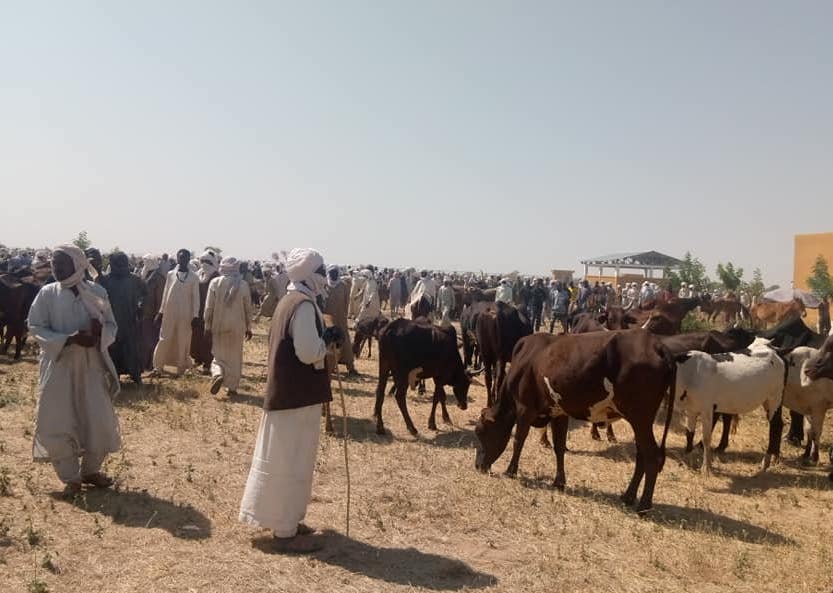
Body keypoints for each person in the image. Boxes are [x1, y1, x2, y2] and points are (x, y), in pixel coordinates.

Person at [239, 248, 343, 554]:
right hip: (296, 398)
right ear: (310, 274)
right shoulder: (304, 306)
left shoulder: (291, 300)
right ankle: (285, 533)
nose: (325, 277)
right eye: (321, 271)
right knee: (291, 461)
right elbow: (308, 352)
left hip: (288, 396)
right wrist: (327, 340)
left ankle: (288, 520)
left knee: (288, 459)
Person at [27, 244, 121, 495]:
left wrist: (100, 335)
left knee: (97, 418)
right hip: (59, 366)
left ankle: (91, 470)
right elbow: (35, 326)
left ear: (78, 265)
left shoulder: (98, 292)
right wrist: (68, 339)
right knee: (57, 418)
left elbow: (111, 325)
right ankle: (71, 477)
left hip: (91, 366)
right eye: (54, 264)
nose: (56, 269)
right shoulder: (47, 294)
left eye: (61, 264)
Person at [204, 257, 253, 396]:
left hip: (219, 325)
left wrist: (207, 326)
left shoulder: (215, 283)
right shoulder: (243, 285)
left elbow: (209, 307)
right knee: (234, 357)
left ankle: (218, 374)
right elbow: (248, 308)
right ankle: (232, 388)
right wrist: (249, 327)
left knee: (218, 355)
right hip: (237, 326)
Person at [100, 251, 147, 385]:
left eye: (122, 264)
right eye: (117, 264)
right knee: (113, 350)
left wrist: (140, 305)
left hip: (129, 321)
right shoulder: (105, 280)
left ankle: (135, 375)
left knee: (131, 349)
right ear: (112, 265)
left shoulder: (135, 279)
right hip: (112, 322)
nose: (120, 268)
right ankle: (115, 376)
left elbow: (144, 294)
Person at [152, 249, 200, 376]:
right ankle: (158, 367)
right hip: (169, 311)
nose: (182, 259)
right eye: (180, 257)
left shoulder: (194, 277)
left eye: (185, 257)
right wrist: (161, 312)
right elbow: (165, 294)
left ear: (188, 259)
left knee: (183, 339)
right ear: (177, 259)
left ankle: (181, 368)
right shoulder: (170, 274)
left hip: (186, 314)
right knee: (164, 338)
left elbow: (196, 298)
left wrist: (195, 315)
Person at [323, 265, 358, 375]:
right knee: (329, 343)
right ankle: (331, 366)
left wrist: (344, 315)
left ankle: (350, 366)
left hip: (341, 318)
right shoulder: (324, 286)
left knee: (345, 342)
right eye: (331, 273)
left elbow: (347, 302)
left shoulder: (343, 286)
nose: (333, 275)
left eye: (335, 273)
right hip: (328, 320)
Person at [191, 250, 220, 374]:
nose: (204, 264)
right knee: (196, 336)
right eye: (202, 261)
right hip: (197, 312)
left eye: (207, 262)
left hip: (210, 313)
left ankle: (207, 364)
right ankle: (198, 359)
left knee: (208, 339)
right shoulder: (198, 275)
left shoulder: (216, 277)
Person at [139, 254, 166, 371]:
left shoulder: (158, 278)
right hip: (144, 312)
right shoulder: (145, 274)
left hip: (152, 314)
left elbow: (160, 298)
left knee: (151, 340)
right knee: (145, 339)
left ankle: (151, 363)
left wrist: (158, 314)